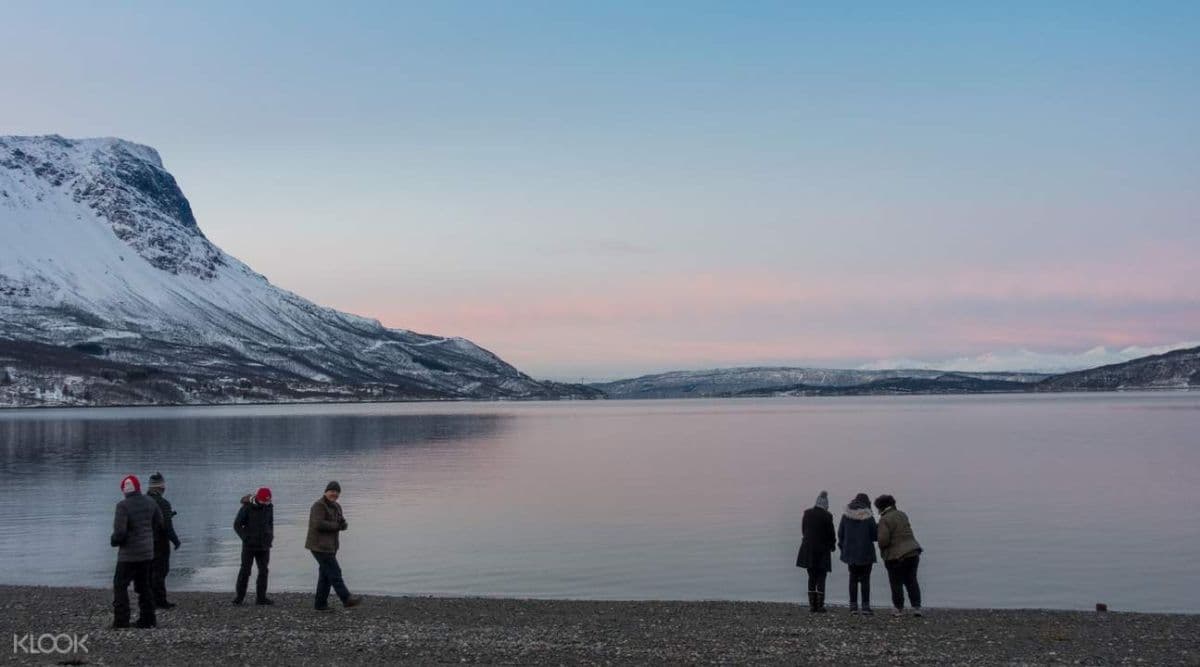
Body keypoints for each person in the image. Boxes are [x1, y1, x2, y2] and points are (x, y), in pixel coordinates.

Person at [110, 474, 164, 629]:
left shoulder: (123, 506)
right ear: (139, 487)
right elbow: (160, 523)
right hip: (147, 552)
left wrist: (113, 541)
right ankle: (148, 620)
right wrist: (149, 537)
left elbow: (120, 533)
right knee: (144, 586)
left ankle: (121, 621)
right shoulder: (151, 502)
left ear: (124, 490)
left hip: (128, 555)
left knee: (120, 586)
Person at [305, 481, 362, 611]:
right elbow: (318, 524)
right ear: (326, 491)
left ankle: (320, 604)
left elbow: (341, 522)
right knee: (335, 572)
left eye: (337, 492)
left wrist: (344, 525)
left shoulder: (336, 506)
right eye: (332, 491)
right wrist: (337, 526)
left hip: (331, 546)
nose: (334, 494)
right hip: (319, 546)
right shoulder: (318, 506)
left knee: (325, 575)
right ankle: (346, 599)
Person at [875, 494, 923, 617]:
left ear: (881, 507)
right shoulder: (902, 514)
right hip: (913, 551)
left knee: (896, 582)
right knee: (911, 581)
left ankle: (898, 609)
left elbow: (883, 540)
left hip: (896, 556)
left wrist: (880, 546)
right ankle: (916, 608)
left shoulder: (884, 519)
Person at [795, 490, 836, 613]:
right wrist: (832, 545)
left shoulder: (807, 513)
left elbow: (804, 530)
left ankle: (812, 606)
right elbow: (831, 534)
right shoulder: (827, 516)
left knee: (811, 576)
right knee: (821, 577)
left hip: (808, 549)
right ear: (826, 505)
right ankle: (820, 605)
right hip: (823, 550)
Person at [837, 492, 878, 615]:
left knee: (853, 579)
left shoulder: (846, 515)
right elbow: (874, 536)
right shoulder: (868, 516)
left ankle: (853, 607)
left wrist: (843, 548)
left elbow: (840, 533)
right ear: (866, 503)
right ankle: (865, 607)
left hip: (850, 553)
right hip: (866, 553)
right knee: (865, 580)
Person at [233, 487, 275, 605]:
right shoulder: (246, 507)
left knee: (263, 571)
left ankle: (261, 598)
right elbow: (237, 525)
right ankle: (239, 597)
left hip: (264, 545)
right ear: (258, 498)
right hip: (249, 545)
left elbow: (270, 523)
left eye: (268, 501)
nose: (266, 503)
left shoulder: (269, 507)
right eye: (264, 501)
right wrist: (245, 538)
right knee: (245, 570)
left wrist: (270, 536)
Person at [146, 471, 181, 609]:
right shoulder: (163, 503)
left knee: (149, 571)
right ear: (160, 487)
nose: (164, 488)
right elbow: (167, 525)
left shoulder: (143, 500)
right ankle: (160, 600)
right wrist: (176, 541)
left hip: (145, 541)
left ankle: (149, 598)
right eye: (163, 486)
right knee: (161, 571)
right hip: (160, 541)